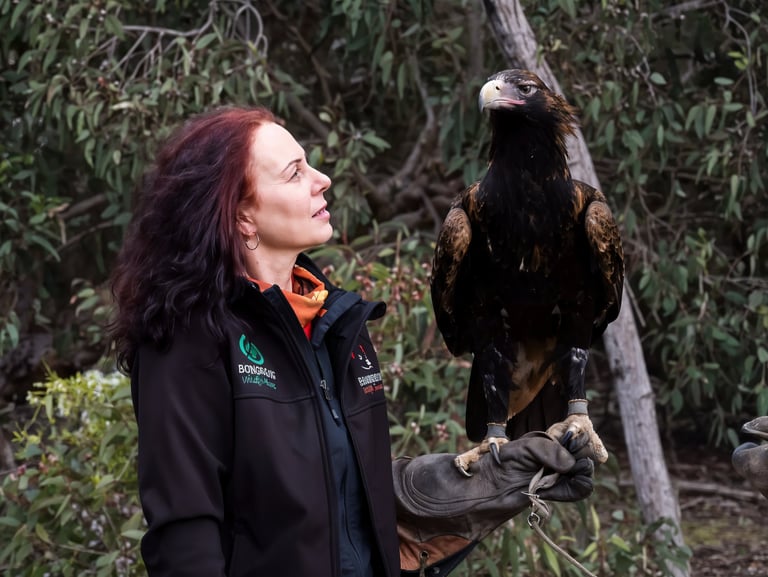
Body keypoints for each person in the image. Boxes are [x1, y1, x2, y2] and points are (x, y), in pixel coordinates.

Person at [109, 105, 594, 577]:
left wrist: (493, 477)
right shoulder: (190, 339)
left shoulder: (338, 326)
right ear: (241, 216)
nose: (323, 179)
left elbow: (344, 495)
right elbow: (184, 539)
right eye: (294, 173)